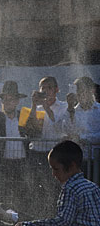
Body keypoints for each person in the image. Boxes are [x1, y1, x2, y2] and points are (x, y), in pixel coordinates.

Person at [14, 140, 100, 226]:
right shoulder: (93, 187)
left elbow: (62, 223)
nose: (53, 174)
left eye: (56, 169)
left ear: (71, 166)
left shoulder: (71, 188)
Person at [0, 80, 34, 211]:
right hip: (1, 164)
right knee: (1, 197)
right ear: (1, 101)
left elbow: (36, 132)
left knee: (21, 196)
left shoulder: (24, 115)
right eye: (5, 99)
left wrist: (36, 105)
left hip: (21, 163)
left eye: (11, 99)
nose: (7, 102)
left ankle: (20, 222)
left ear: (17, 101)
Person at [25, 76, 69, 214]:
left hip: (54, 154)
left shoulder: (64, 107)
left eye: (49, 87)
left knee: (54, 187)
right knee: (35, 188)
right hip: (36, 153)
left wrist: (46, 108)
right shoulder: (32, 108)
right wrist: (33, 105)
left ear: (56, 90)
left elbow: (60, 128)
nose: (46, 91)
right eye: (43, 88)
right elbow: (29, 130)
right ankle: (37, 214)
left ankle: (54, 214)